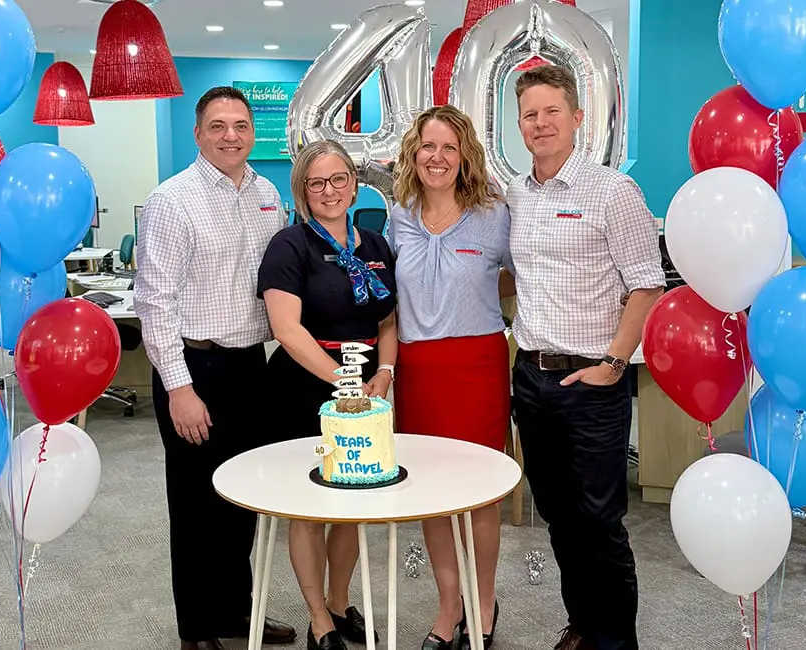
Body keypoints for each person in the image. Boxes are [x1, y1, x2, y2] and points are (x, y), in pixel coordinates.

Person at [506, 65, 665, 650]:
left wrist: (615, 365)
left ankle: (616, 641)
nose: (541, 123)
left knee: (599, 521)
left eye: (552, 112)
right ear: (518, 125)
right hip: (531, 377)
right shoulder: (515, 196)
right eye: (530, 114)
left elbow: (647, 283)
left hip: (593, 381)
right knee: (558, 515)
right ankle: (583, 623)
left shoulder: (613, 191)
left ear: (577, 118)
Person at [134, 86, 297, 650]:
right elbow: (154, 301)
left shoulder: (267, 193)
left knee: (241, 502)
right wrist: (179, 388)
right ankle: (197, 630)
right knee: (196, 505)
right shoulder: (171, 200)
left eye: (241, 125)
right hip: (193, 369)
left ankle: (237, 615)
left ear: (254, 133)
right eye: (219, 126)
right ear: (199, 133)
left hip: (251, 365)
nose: (231, 135)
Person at [257, 139, 398, 650]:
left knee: (352, 502)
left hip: (364, 389)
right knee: (309, 507)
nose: (329, 190)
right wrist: (344, 381)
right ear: (302, 193)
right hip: (303, 386)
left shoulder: (376, 247)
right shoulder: (288, 247)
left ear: (355, 185)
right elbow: (287, 330)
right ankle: (318, 619)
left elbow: (387, 320)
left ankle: (340, 604)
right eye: (316, 183)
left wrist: (383, 373)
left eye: (338, 179)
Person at [387, 105, 512, 650]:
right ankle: (448, 605)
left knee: (481, 494)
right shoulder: (397, 217)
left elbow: (519, 276)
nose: (437, 158)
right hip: (419, 370)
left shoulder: (494, 215)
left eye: (449, 148)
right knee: (432, 490)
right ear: (414, 154)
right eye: (428, 147)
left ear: (465, 158)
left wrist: (474, 295)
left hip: (477, 366)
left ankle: (483, 604)